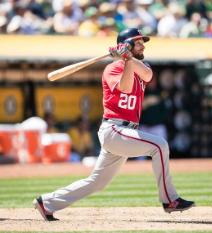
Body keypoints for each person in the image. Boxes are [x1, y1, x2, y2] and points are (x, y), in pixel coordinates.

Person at [33, 28, 194, 221]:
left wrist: (128, 58)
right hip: (115, 129)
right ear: (127, 44)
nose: (143, 45)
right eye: (138, 42)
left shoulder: (140, 64)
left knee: (97, 182)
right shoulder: (112, 68)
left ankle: (46, 202)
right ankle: (170, 200)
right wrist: (125, 60)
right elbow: (125, 88)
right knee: (160, 145)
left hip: (125, 132)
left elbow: (148, 75)